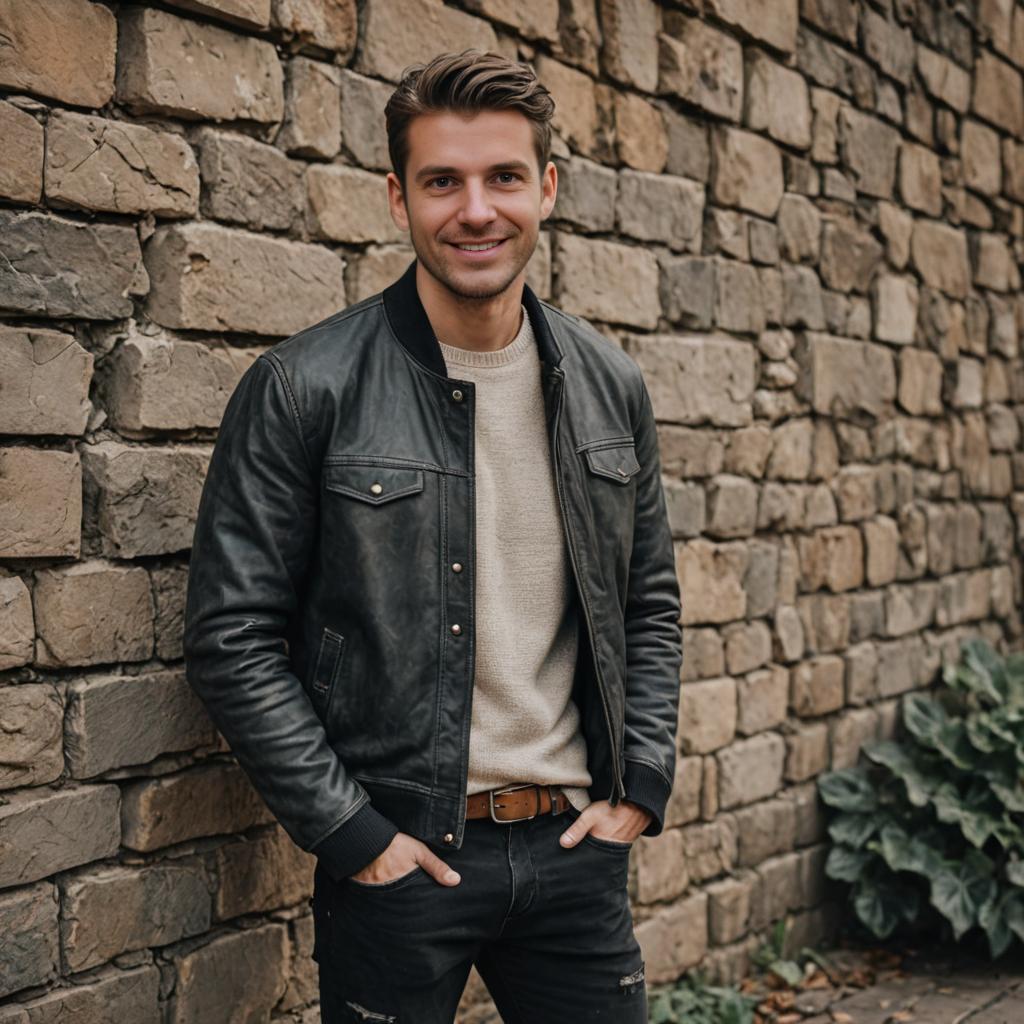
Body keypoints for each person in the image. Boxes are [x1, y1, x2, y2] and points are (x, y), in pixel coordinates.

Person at [183, 48, 682, 1023]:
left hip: (574, 850)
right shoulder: (304, 387)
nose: (476, 209)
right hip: (402, 861)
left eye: (502, 177)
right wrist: (352, 832)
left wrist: (643, 783)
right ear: (395, 198)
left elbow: (646, 601)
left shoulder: (609, 386)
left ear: (545, 187)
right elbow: (230, 636)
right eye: (441, 181)